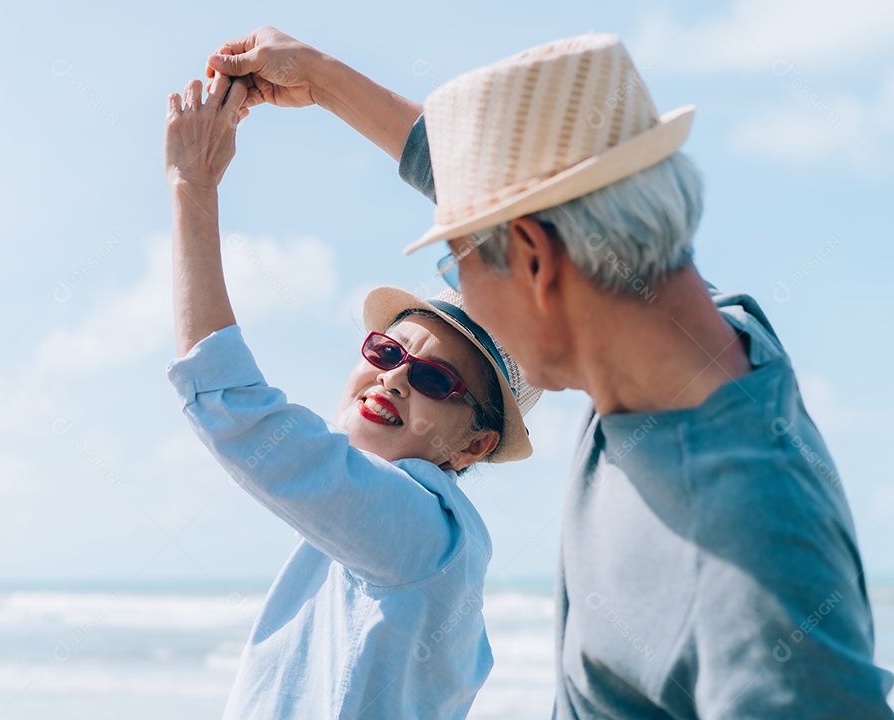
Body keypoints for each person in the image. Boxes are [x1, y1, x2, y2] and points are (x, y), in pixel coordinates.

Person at [206, 28, 894, 718]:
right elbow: (527, 206)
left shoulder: (745, 546)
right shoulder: (707, 333)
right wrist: (322, 79)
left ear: (535, 260)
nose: (465, 302)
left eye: (457, 267)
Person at [162, 72, 542, 719]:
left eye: (434, 380)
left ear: (474, 445)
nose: (394, 378)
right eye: (387, 352)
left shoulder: (424, 532)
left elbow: (235, 410)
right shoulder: (381, 529)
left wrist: (191, 187)